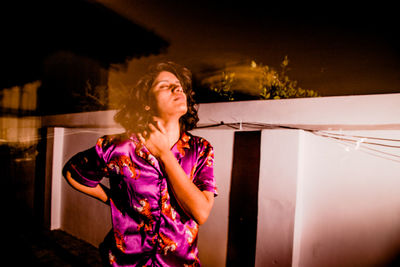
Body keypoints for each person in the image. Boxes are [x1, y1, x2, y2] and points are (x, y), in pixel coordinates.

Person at [62, 61, 217, 266]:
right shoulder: (119, 147)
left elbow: (201, 212)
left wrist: (164, 154)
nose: (177, 88)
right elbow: (73, 173)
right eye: (163, 85)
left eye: (179, 85)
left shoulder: (201, 150)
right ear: (146, 102)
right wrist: (114, 201)